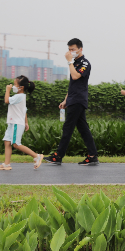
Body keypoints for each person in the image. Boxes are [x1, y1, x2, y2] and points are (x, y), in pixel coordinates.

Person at [44, 38, 99, 166]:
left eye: (73, 49)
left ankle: (58, 156)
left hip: (78, 100)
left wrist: (69, 62)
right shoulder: (75, 63)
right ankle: (92, 155)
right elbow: (73, 84)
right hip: (73, 99)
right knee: (83, 129)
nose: (70, 52)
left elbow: (75, 76)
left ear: (80, 49)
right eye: (69, 49)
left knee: (68, 127)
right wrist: (65, 100)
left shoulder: (85, 63)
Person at [0, 76, 43, 170]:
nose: (13, 86)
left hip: (16, 123)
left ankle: (37, 156)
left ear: (21, 87)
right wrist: (26, 123)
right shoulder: (20, 96)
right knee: (7, 142)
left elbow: (6, 100)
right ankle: (6, 164)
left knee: (16, 144)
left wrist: (7, 90)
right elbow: (24, 110)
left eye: (15, 84)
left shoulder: (19, 96)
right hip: (13, 123)